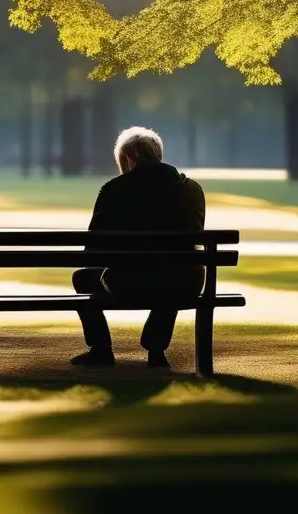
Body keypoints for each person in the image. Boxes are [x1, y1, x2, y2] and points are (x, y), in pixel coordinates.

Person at [70, 126, 206, 369]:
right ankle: (156, 348)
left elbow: (94, 247)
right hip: (187, 282)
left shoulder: (114, 190)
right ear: (158, 155)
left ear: (128, 158)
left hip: (130, 282)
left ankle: (101, 348)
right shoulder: (191, 189)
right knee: (174, 270)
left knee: (83, 278)